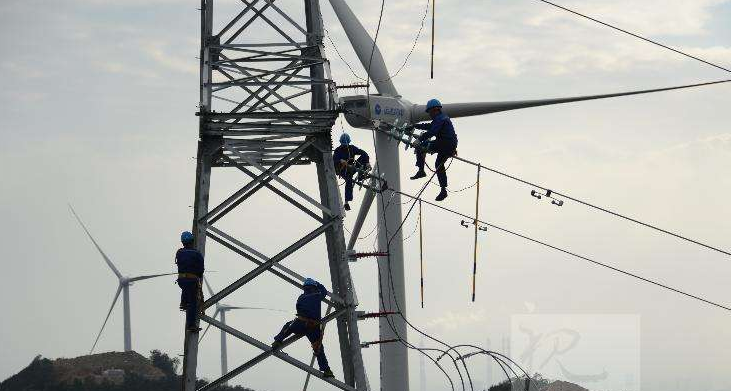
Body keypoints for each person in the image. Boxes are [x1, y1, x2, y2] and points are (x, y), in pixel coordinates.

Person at [272, 278, 334, 378]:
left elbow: (298, 308)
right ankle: (327, 370)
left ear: (304, 287)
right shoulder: (317, 295)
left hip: (300, 323)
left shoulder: (301, 297)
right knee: (318, 348)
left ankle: (278, 341)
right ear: (314, 287)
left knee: (288, 327)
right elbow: (324, 291)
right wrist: (318, 283)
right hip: (313, 327)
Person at [410, 98, 458, 201]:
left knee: (421, 147)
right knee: (439, 165)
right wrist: (415, 126)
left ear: (434, 110)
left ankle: (421, 170)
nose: (429, 114)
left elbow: (432, 131)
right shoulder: (441, 118)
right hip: (450, 145)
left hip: (443, 144)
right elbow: (429, 126)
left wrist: (419, 140)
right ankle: (443, 190)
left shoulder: (440, 119)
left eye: (430, 112)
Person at [332, 133, 370, 211]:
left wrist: (367, 162)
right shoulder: (338, 150)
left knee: (363, 157)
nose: (345, 146)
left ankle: (361, 176)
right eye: (344, 144)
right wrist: (340, 160)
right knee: (348, 181)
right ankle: (346, 202)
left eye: (346, 144)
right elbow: (334, 160)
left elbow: (363, 153)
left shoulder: (352, 148)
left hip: (351, 168)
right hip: (343, 170)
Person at [175, 231, 204, 332]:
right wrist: (198, 276)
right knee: (192, 302)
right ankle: (191, 325)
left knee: (186, 288)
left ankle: (183, 302)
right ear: (192, 241)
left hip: (181, 279)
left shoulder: (179, 252)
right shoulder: (197, 254)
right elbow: (201, 269)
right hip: (192, 280)